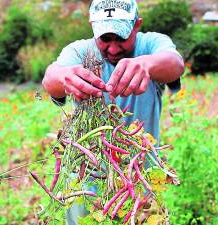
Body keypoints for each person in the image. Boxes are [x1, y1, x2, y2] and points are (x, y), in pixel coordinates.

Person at [41, 0, 184, 223]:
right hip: (87, 176)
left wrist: (147, 65)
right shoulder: (81, 51)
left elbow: (174, 63)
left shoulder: (151, 44)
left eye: (122, 38)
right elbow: (51, 78)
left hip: (140, 176)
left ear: (137, 25)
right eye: (105, 39)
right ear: (92, 26)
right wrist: (63, 77)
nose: (114, 49)